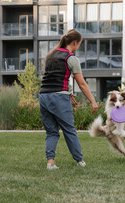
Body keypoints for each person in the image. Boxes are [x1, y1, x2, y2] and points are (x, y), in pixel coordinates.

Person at [39, 29, 98, 170]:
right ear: (75, 42)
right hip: (58, 97)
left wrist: (67, 92)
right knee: (69, 129)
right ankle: (80, 161)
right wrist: (93, 101)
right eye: (79, 44)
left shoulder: (50, 55)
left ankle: (51, 163)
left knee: (52, 131)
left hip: (43, 97)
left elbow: (54, 78)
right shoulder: (71, 58)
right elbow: (82, 83)